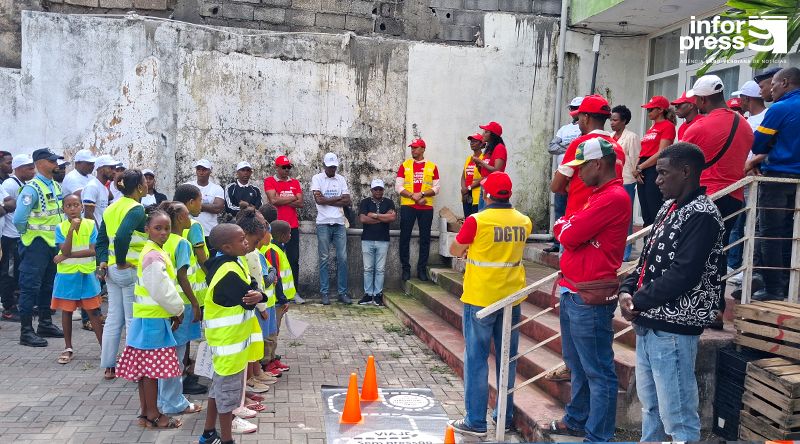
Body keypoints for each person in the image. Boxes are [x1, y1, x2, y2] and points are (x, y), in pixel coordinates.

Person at [619, 143, 724, 442]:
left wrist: (637, 301)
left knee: (677, 416)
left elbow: (684, 273)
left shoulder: (702, 214)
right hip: (649, 323)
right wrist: (627, 290)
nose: (657, 180)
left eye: (663, 173)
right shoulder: (669, 207)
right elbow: (646, 260)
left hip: (673, 329)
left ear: (686, 171)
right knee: (651, 408)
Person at [548, 138, 631, 442]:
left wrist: (565, 227)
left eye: (581, 167)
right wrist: (566, 226)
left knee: (598, 371)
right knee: (578, 365)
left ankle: (598, 436)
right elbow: (567, 228)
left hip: (589, 295)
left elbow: (569, 235)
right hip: (575, 290)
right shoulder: (598, 195)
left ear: (597, 164)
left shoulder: (613, 197)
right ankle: (577, 420)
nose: (577, 173)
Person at [448, 172, 532, 437]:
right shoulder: (524, 221)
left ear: (486, 195)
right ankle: (504, 417)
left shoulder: (477, 220)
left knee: (476, 360)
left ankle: (475, 421)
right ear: (509, 194)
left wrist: (469, 249)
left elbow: (454, 249)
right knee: (507, 359)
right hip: (511, 299)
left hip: (480, 299)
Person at [683, 74, 753, 322]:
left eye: (696, 100)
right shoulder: (744, 125)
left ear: (702, 100)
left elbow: (678, 161)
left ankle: (698, 305)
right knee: (718, 252)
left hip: (705, 197)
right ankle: (716, 308)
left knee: (695, 251)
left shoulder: (698, 127)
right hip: (734, 197)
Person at [115, 209, 185, 430]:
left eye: (167, 228)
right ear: (147, 229)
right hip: (152, 322)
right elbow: (161, 289)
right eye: (158, 228)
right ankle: (154, 414)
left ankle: (146, 413)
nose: (163, 232)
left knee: (146, 371)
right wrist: (178, 309)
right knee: (150, 372)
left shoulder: (152, 251)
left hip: (146, 320)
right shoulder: (153, 256)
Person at [199, 223, 267, 443]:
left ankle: (208, 433)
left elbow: (251, 284)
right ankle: (226, 439)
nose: (246, 242)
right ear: (227, 247)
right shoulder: (227, 272)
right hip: (228, 347)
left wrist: (257, 292)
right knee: (227, 398)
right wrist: (260, 296)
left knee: (217, 391)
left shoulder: (233, 263)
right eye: (241, 240)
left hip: (229, 345)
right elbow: (248, 298)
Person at [747, 67, 800, 301]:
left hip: (777, 177)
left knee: (771, 234)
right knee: (791, 233)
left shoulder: (780, 108)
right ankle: (790, 286)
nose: (771, 89)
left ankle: (773, 289)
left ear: (785, 82)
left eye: (774, 84)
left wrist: (773, 143)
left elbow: (758, 144)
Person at [97, 169, 148, 380]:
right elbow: (121, 237)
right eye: (145, 182)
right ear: (139, 187)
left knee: (113, 319)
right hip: (129, 269)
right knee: (132, 319)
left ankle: (109, 366)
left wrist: (103, 261)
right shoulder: (136, 209)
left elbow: (102, 239)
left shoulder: (111, 207)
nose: (147, 185)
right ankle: (132, 368)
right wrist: (120, 261)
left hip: (111, 271)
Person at [14, 148, 67, 347]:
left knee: (48, 285)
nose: (56, 164)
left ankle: (45, 323)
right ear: (40, 163)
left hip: (53, 243)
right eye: (52, 161)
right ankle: (26, 331)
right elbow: (19, 219)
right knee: (30, 287)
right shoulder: (32, 189)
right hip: (35, 244)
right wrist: (26, 235)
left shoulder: (55, 185)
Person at [156, 201, 204, 416]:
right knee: (177, 354)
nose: (189, 220)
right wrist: (194, 303)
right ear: (180, 218)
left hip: (165, 303)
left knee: (167, 353)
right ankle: (174, 402)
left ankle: (164, 398)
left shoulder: (161, 241)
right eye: (186, 216)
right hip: (181, 303)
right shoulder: (182, 243)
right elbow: (182, 276)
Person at [550, 94, 626, 220]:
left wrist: (569, 185)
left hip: (579, 218)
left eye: (578, 117)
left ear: (586, 118)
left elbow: (555, 186)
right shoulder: (618, 148)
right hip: (606, 217)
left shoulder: (580, 144)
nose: (577, 121)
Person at [51, 194, 104, 363]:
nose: (73, 209)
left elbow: (93, 250)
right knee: (66, 312)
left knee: (93, 312)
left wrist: (64, 256)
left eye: (76, 205)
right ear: (63, 209)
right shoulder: (60, 227)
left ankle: (105, 349)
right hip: (67, 275)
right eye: (68, 206)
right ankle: (68, 347)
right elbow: (65, 249)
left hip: (87, 275)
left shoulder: (90, 225)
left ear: (82, 207)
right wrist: (71, 231)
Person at [727, 80, 768, 280]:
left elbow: (770, 146)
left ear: (747, 98)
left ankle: (751, 270)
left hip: (757, 177)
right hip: (741, 178)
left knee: (756, 224)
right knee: (739, 224)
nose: (740, 102)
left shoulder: (767, 116)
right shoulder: (744, 120)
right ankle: (738, 266)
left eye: (741, 98)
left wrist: (752, 164)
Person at [172, 183, 211, 396]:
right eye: (200, 200)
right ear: (190, 202)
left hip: (176, 291)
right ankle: (183, 375)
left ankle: (183, 370)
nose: (201, 205)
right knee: (185, 337)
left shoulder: (167, 225)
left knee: (180, 336)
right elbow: (202, 256)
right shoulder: (193, 225)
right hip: (191, 290)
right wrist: (212, 275)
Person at [396, 139, 440, 282]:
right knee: (404, 237)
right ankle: (406, 269)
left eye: (415, 147)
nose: (413, 150)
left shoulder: (432, 166)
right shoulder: (405, 165)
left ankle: (421, 269)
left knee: (425, 239)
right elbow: (398, 187)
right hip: (408, 206)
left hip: (426, 207)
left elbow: (436, 188)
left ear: (423, 149)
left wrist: (421, 194)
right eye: (412, 148)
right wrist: (413, 196)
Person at [263, 155, 305, 304]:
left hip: (292, 227)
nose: (287, 170)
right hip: (275, 227)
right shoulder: (270, 181)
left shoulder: (295, 182)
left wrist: (282, 199)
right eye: (284, 167)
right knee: (273, 260)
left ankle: (294, 292)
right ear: (277, 167)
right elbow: (273, 200)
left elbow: (300, 203)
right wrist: (292, 198)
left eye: (289, 167)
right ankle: (276, 293)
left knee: (293, 260)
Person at [312, 152, 351, 304]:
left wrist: (326, 199)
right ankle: (324, 293)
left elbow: (347, 201)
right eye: (329, 167)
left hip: (339, 223)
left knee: (343, 259)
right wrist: (338, 198)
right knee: (323, 259)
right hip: (323, 223)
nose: (332, 169)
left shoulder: (341, 179)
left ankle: (342, 293)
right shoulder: (317, 178)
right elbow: (318, 200)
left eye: (334, 167)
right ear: (324, 166)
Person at [545, 97, 584, 253]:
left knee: (576, 210)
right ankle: (557, 242)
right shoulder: (564, 129)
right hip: (562, 173)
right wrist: (570, 147)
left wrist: (564, 146)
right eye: (571, 108)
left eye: (575, 108)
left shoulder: (584, 127)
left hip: (579, 175)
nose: (572, 111)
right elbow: (551, 147)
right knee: (560, 209)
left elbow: (581, 147)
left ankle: (571, 242)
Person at [0, 154, 34, 322]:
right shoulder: (9, 184)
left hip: (17, 235)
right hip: (9, 235)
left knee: (16, 272)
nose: (33, 171)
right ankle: (8, 307)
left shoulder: (23, 184)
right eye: (29, 168)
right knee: (8, 273)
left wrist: (5, 206)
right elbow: (6, 208)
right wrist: (5, 207)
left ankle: (16, 304)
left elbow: (11, 204)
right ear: (19, 169)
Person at [636, 96, 676, 227]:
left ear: (660, 110)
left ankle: (657, 236)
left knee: (654, 208)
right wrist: (637, 168)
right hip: (643, 168)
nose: (648, 112)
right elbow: (644, 150)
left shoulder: (668, 126)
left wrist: (641, 167)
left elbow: (661, 152)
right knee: (645, 209)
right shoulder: (652, 128)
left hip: (655, 168)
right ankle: (647, 237)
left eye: (651, 109)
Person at [261, 219, 294, 377]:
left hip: (276, 299)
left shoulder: (277, 248)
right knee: (271, 333)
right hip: (274, 300)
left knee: (274, 332)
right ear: (280, 235)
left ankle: (273, 358)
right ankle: (266, 362)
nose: (290, 236)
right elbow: (276, 277)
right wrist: (282, 299)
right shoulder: (271, 250)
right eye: (288, 233)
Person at [358, 179, 396, 306]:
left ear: (383, 190)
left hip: (383, 240)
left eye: (380, 189)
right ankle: (368, 294)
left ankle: (378, 294)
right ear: (371, 190)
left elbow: (392, 217)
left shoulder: (389, 202)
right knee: (368, 268)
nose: (378, 191)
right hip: (367, 239)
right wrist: (383, 217)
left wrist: (374, 215)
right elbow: (363, 219)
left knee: (380, 269)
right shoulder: (365, 202)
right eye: (376, 189)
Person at [610, 105, 641, 261]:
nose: (612, 123)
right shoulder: (610, 136)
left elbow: (635, 158)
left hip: (627, 179)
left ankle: (626, 251)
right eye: (611, 119)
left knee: (625, 216)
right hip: (611, 180)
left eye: (615, 120)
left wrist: (636, 174)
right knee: (612, 217)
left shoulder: (632, 137)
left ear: (624, 121)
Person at [187, 159, 226, 250]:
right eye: (199, 169)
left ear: (210, 171)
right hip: (190, 230)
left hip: (210, 231)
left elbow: (218, 208)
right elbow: (183, 204)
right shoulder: (188, 186)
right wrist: (208, 207)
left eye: (204, 169)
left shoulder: (216, 188)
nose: (201, 172)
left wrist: (194, 205)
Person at [473, 121, 507, 210]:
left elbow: (497, 170)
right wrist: (478, 165)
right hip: (484, 186)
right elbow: (484, 173)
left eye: (486, 132)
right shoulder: (489, 150)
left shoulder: (499, 148)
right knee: (481, 213)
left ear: (493, 135)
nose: (483, 134)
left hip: (493, 187)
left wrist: (481, 162)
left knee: (486, 213)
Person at [82, 154, 118, 225]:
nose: (114, 172)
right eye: (111, 168)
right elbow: (88, 214)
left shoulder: (104, 188)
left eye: (115, 168)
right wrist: (96, 231)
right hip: (94, 231)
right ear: (100, 169)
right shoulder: (92, 186)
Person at [461, 134, 484, 218]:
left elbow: (484, 177)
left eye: (475, 141)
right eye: (471, 141)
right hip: (467, 195)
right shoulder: (469, 158)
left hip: (478, 195)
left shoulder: (484, 158)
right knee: (468, 219)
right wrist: (464, 189)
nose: (472, 143)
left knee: (476, 220)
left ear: (481, 144)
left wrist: (469, 188)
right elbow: (463, 176)